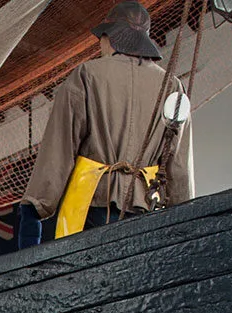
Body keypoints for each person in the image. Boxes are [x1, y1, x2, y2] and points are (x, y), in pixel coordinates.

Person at [17, 1, 195, 248]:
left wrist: (35, 207)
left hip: (94, 204)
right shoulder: (173, 85)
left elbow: (59, 147)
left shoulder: (87, 75)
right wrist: (185, 216)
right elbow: (178, 162)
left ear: (110, 37)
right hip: (146, 207)